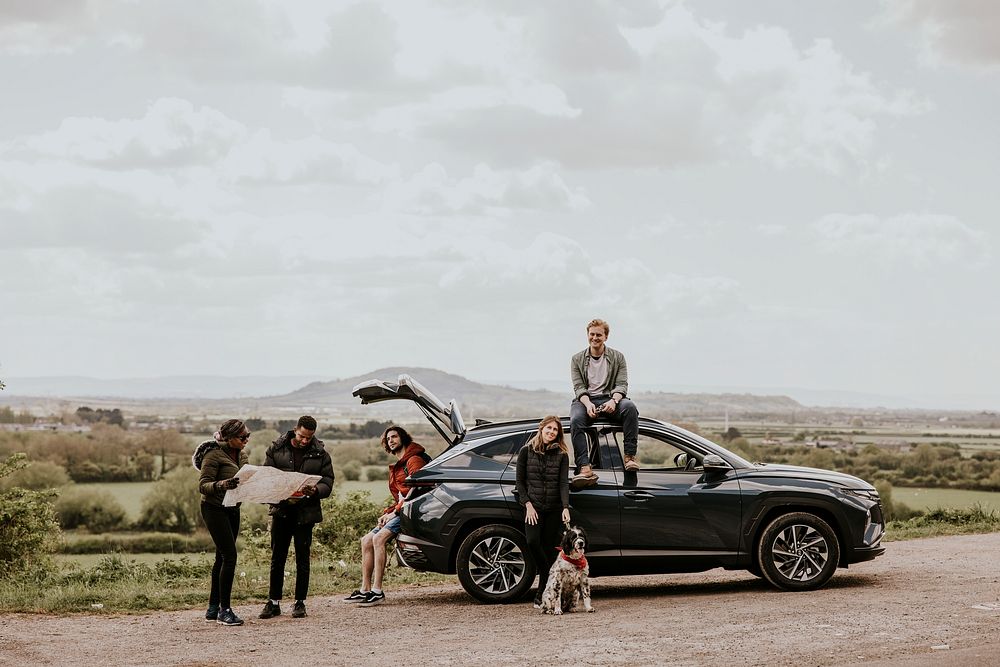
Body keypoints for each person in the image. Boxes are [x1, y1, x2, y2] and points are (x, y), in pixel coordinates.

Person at [258, 415, 334, 620]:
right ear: (295, 429)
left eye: (309, 438)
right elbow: (267, 477)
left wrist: (316, 490)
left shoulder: (321, 454)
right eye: (301, 436)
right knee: (277, 558)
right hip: (281, 511)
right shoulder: (276, 449)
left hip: (305, 514)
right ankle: (273, 603)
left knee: (302, 559)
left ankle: (300, 603)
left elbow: (328, 482)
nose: (304, 441)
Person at [344, 425, 429, 607]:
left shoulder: (413, 460)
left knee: (378, 539)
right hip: (401, 509)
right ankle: (365, 590)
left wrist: (396, 512)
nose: (391, 440)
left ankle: (377, 591)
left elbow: (419, 488)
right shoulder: (399, 464)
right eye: (388, 438)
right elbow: (401, 495)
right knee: (366, 540)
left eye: (394, 437)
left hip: (412, 510)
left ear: (403, 438)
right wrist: (389, 512)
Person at [193, 418, 250, 627]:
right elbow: (203, 485)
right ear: (229, 438)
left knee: (221, 557)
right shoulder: (213, 454)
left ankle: (213, 607)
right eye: (242, 437)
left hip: (233, 508)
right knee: (230, 556)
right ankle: (225, 611)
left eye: (248, 436)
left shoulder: (242, 454)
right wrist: (222, 484)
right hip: (214, 508)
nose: (246, 440)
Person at [570, 318, 640, 483]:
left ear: (606, 337)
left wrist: (613, 401)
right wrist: (588, 404)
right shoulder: (576, 359)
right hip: (585, 400)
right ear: (587, 335)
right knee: (576, 420)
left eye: (599, 335)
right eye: (592, 334)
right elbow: (579, 387)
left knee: (630, 407)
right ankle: (585, 467)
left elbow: (622, 385)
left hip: (611, 398)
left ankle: (629, 457)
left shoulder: (618, 357)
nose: (595, 338)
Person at [515, 415, 571, 608]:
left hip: (554, 509)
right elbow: (520, 483)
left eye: (555, 430)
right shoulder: (526, 451)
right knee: (532, 542)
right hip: (534, 508)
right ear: (541, 429)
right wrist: (528, 505)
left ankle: (541, 594)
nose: (551, 432)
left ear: (558, 434)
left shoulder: (562, 454)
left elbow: (563, 483)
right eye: (549, 428)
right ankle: (547, 574)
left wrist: (565, 507)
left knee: (548, 549)